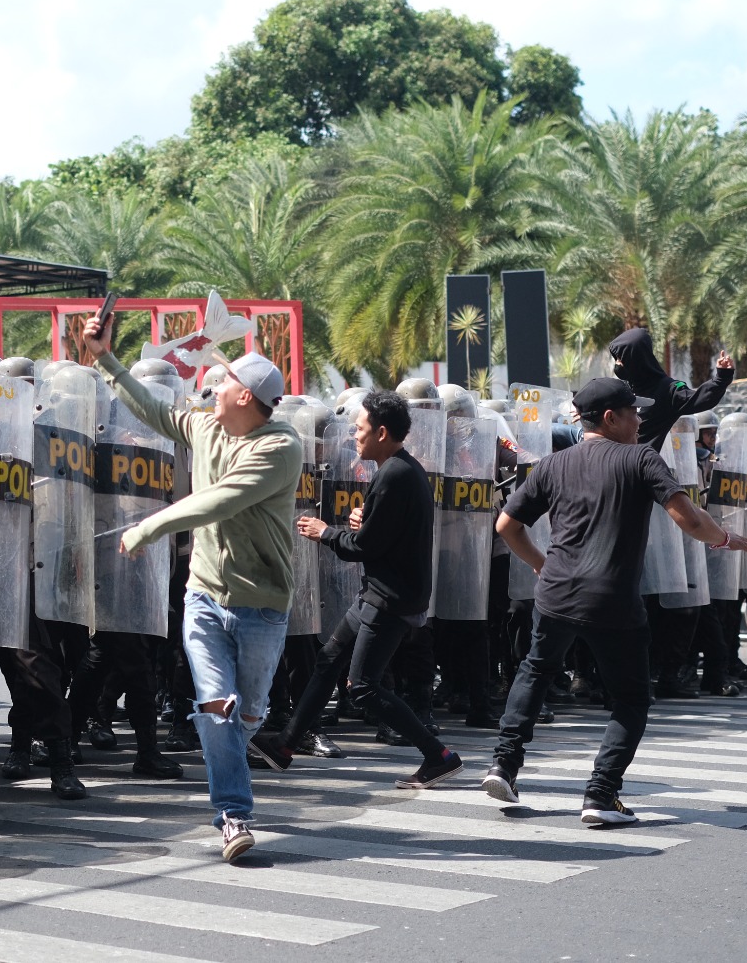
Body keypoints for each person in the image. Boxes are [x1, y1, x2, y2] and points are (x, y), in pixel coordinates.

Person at [482, 378, 747, 824]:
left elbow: (507, 526)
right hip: (612, 598)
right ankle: (601, 794)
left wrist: (540, 565)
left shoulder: (554, 464)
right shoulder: (641, 458)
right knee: (630, 699)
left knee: (535, 670)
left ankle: (504, 765)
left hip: (556, 592)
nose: (640, 418)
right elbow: (687, 517)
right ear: (611, 418)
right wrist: (724, 538)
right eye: (633, 411)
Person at [83, 312, 301, 864]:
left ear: (247, 397)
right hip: (204, 597)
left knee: (247, 712)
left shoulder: (280, 447)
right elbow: (154, 408)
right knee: (216, 708)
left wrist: (150, 526)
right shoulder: (205, 426)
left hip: (262, 605)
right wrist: (106, 359)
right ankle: (234, 814)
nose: (213, 384)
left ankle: (247, 731)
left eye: (225, 380)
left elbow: (220, 499)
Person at [250, 390, 464, 788]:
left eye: (360, 428)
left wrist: (324, 532)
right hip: (380, 591)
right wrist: (361, 522)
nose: (353, 435)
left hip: (389, 597)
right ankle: (284, 745)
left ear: (382, 433)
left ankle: (438, 756)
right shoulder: (399, 470)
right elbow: (382, 534)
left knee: (363, 686)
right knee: (328, 661)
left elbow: (362, 548)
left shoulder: (395, 474)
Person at [607, 328, 736, 452]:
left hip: (641, 468)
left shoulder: (667, 390)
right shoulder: (624, 389)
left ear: (635, 358)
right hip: (614, 465)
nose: (617, 364)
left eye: (620, 359)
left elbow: (700, 398)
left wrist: (721, 379)